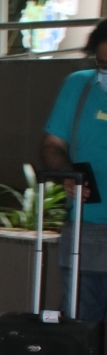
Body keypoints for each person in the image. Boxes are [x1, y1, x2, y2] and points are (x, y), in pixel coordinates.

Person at [40, 18, 107, 318]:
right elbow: (53, 145)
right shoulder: (77, 86)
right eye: (103, 63)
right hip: (85, 232)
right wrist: (68, 175)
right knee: (78, 336)